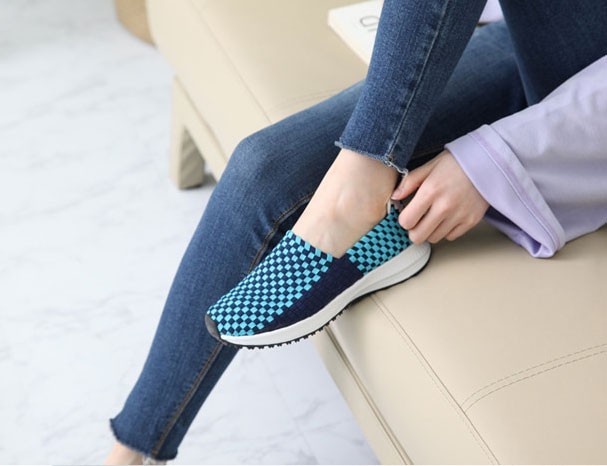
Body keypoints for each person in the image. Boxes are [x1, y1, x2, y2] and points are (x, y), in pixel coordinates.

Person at [105, 0, 607, 463]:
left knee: (320, 172)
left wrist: (497, 158)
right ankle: (130, 451)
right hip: (539, 28)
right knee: (265, 168)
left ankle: (356, 193)